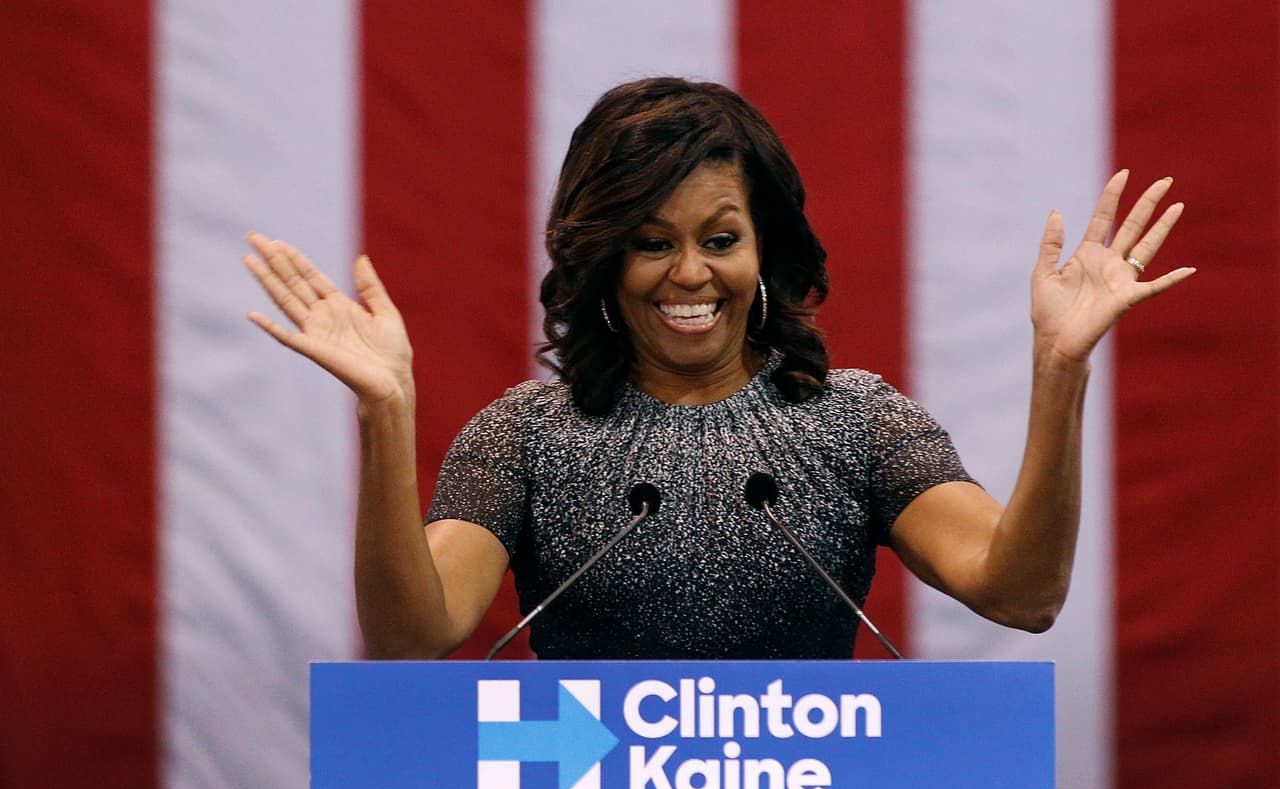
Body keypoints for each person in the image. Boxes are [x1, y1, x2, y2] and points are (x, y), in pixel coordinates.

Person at [244, 77, 1193, 660]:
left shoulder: (854, 422)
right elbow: (414, 636)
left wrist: (1058, 373)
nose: (691, 273)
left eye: (721, 238)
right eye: (651, 241)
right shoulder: (527, 434)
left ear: (762, 252)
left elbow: (1020, 593)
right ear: (604, 260)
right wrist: (386, 414)